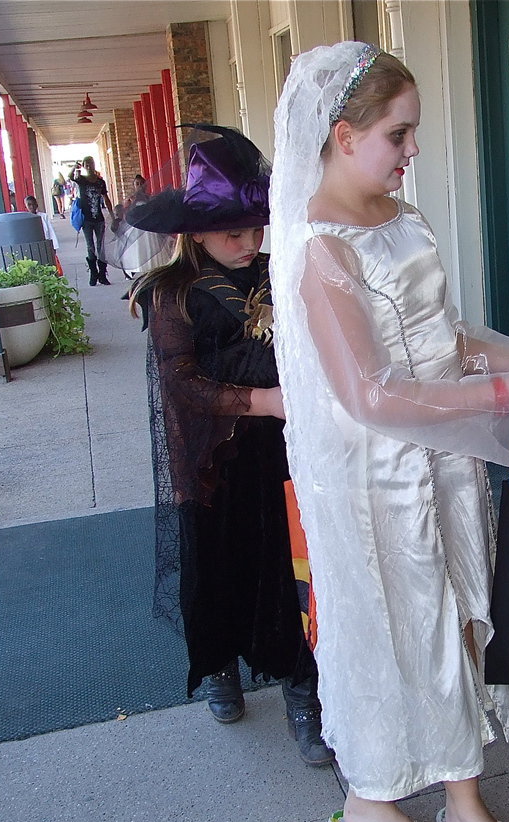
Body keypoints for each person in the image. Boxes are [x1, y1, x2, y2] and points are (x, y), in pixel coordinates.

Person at [270, 42, 509, 822]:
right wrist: (507, 395)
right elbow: (368, 394)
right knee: (394, 625)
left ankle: (461, 789)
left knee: (456, 613)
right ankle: (370, 793)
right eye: (398, 135)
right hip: (377, 478)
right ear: (343, 136)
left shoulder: (403, 218)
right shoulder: (321, 249)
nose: (413, 150)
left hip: (443, 454)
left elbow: (445, 337)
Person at [126, 125, 332, 767]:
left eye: (256, 229)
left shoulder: (280, 273)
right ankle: (219, 663)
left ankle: (302, 684)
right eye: (232, 233)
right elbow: (181, 383)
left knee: (291, 564)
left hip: (286, 452)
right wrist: (263, 401)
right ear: (196, 232)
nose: (249, 244)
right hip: (214, 458)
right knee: (216, 563)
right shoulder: (171, 292)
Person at [69, 155, 112, 286]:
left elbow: (106, 198)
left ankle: (102, 274)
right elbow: (70, 177)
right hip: (86, 219)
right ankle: (93, 273)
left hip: (99, 218)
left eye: (90, 163)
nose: (88, 166)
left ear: (94, 164)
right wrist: (74, 167)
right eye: (86, 164)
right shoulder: (81, 179)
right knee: (90, 246)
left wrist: (112, 215)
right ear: (83, 166)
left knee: (101, 246)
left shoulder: (100, 182)